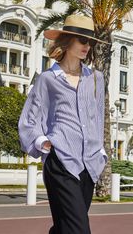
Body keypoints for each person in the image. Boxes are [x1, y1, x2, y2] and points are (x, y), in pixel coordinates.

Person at [18, 14, 107, 234]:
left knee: (65, 227)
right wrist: (42, 142)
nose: (88, 46)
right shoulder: (48, 79)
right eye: (83, 40)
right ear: (68, 41)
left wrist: (101, 151)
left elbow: (98, 116)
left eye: (91, 42)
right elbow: (30, 116)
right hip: (62, 160)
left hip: (90, 164)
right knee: (78, 229)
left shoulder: (96, 78)